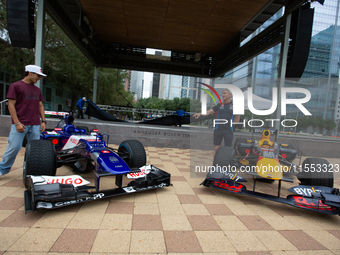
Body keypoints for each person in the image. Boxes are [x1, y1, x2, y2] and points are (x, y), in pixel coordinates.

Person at [0, 65, 47, 178]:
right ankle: (2, 169)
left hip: (35, 124)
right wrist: (17, 123)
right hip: (20, 123)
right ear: (30, 73)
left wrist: (43, 121)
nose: (39, 78)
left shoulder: (37, 90)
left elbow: (40, 106)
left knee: (35, 151)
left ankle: (32, 173)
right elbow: (11, 105)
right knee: (14, 147)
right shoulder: (15, 86)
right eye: (38, 76)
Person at [193, 89, 240, 155]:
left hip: (228, 131)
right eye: (222, 93)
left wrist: (230, 125)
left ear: (230, 95)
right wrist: (200, 114)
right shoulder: (219, 105)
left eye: (225, 93)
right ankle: (215, 164)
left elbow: (237, 119)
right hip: (218, 130)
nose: (223, 95)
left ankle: (225, 164)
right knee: (216, 149)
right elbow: (209, 112)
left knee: (227, 149)